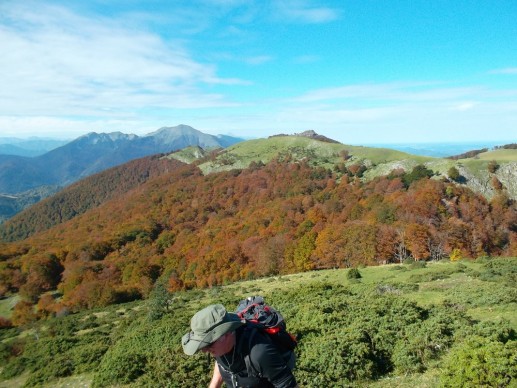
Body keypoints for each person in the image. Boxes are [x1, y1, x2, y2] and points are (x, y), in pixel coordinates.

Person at [182, 304, 298, 388]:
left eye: (208, 343)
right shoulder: (218, 347)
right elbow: (221, 363)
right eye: (202, 345)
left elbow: (287, 385)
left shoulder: (260, 352)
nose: (204, 350)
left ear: (227, 332)